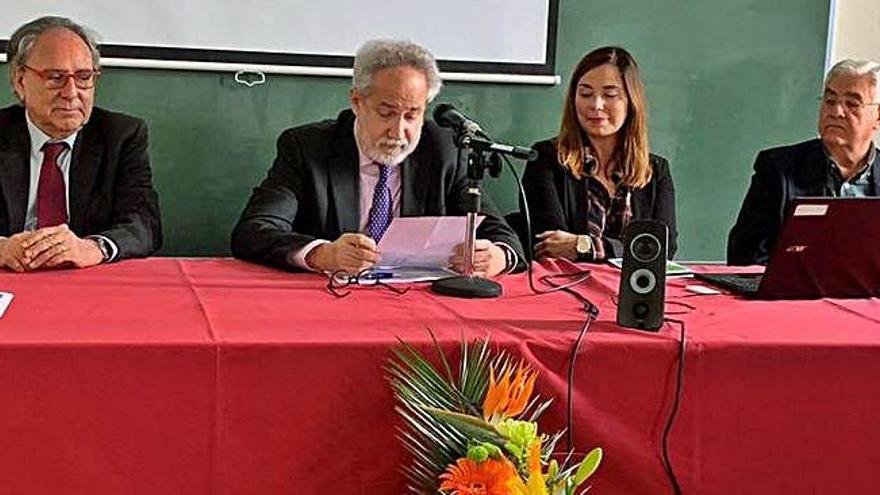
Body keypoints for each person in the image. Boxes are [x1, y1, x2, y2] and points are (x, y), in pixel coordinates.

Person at [231, 39, 523, 276]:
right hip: (328, 303)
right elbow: (254, 231)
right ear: (357, 102)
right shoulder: (308, 147)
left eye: (412, 115)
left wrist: (497, 256)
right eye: (386, 113)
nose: (399, 131)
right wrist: (323, 254)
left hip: (417, 304)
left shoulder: (445, 150)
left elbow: (504, 236)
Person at [0, 16, 162, 272]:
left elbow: (143, 223)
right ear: (20, 81)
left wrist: (93, 247)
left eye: (84, 77)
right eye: (55, 77)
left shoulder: (121, 136)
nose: (72, 92)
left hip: (86, 281)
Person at [522, 46, 677, 262]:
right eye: (585, 94)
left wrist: (583, 246)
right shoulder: (546, 158)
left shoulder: (656, 170)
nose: (596, 105)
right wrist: (628, 250)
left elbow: (662, 249)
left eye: (610, 95)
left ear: (631, 101)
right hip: (565, 287)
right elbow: (550, 246)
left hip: (634, 289)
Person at [728, 59, 880, 265]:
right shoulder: (778, 169)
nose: (836, 112)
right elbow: (746, 258)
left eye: (852, 104)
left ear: (878, 116)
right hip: (793, 294)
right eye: (829, 100)